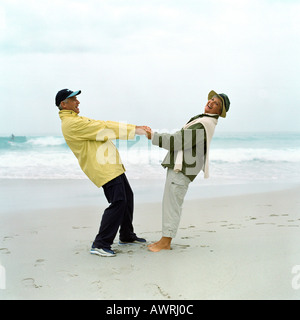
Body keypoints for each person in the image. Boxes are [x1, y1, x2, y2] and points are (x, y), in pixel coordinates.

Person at [55, 88, 150, 257]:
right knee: (119, 201)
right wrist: (135, 129)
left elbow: (101, 126)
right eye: (73, 99)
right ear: (63, 104)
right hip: (103, 167)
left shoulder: (76, 119)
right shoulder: (72, 123)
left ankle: (127, 236)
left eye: (77, 99)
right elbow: (104, 127)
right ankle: (100, 243)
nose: (78, 102)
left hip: (110, 165)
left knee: (127, 197)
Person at [148, 90, 230, 252]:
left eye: (217, 104)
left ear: (219, 111)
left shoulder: (203, 123)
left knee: (172, 204)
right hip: (184, 166)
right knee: (171, 203)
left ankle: (165, 242)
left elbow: (177, 141)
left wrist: (153, 136)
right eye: (212, 100)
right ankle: (165, 239)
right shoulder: (205, 120)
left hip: (182, 168)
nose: (211, 102)